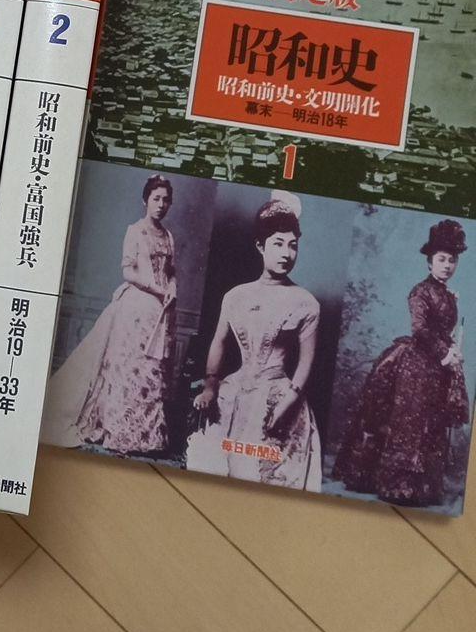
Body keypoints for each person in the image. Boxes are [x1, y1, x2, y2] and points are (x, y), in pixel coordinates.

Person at [186, 193, 322, 490]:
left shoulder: (305, 302)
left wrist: (288, 401)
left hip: (279, 396)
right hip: (234, 391)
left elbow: (306, 361)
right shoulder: (236, 296)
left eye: (293, 245)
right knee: (216, 470)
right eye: (278, 244)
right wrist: (210, 386)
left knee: (265, 475)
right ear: (260, 246)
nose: (287, 253)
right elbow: (219, 342)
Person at [334, 219, 470, 508]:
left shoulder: (448, 295)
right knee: (410, 423)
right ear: (429, 262)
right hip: (416, 366)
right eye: (442, 259)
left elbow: (443, 331)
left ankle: (423, 489)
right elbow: (420, 330)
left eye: (452, 260)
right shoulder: (420, 292)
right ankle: (397, 486)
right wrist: (445, 354)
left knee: (431, 423)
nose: (447, 265)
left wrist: (453, 351)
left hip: (438, 368)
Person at [41, 174, 177, 455]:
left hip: (161, 312)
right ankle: (121, 431)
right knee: (130, 369)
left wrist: (172, 288)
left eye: (166, 200)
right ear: (145, 200)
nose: (161, 205)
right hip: (136, 307)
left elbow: (171, 271)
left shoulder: (168, 236)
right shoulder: (135, 231)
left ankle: (147, 437)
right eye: (156, 199)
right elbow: (128, 271)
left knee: (153, 371)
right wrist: (157, 289)